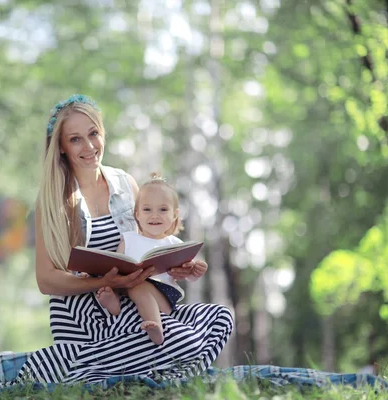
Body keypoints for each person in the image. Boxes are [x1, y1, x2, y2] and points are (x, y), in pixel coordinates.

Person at [23, 94, 233, 383]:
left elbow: (149, 241)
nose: (89, 146)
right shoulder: (52, 202)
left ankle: (93, 366)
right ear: (60, 146)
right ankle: (72, 364)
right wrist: (107, 282)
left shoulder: (125, 183)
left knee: (220, 317)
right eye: (75, 139)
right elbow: (46, 281)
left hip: (135, 301)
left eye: (93, 133)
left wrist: (176, 267)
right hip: (85, 307)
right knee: (184, 342)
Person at [96, 173, 204, 345]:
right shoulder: (128, 239)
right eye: (147, 210)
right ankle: (113, 304)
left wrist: (194, 271)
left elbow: (186, 275)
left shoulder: (174, 243)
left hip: (162, 297)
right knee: (114, 281)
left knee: (139, 285)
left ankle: (156, 328)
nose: (155, 216)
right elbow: (116, 265)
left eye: (163, 209)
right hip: (128, 292)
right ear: (137, 214)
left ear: (175, 215)